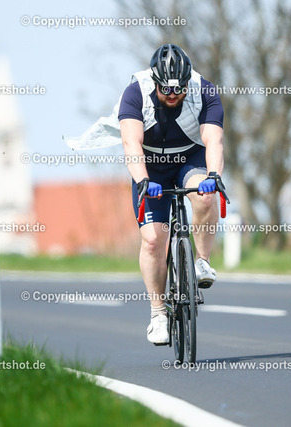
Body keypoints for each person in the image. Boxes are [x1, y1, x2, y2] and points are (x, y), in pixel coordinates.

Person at [119, 43, 225, 344]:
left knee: (205, 196)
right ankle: (158, 314)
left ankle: (202, 261)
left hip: (189, 157)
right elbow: (131, 144)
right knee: (153, 240)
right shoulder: (135, 93)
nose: (173, 95)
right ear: (155, 81)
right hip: (150, 166)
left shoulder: (205, 91)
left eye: (179, 89)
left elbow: (214, 141)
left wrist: (214, 176)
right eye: (166, 89)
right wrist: (142, 180)